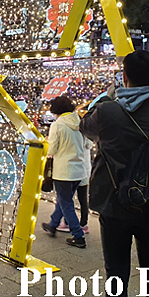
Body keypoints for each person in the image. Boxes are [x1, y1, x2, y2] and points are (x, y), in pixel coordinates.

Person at [80, 50, 149, 297]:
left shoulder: (107, 111)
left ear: (124, 76)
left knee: (116, 274)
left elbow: (85, 127)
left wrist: (108, 96)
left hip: (113, 202)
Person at [41, 96, 92, 248]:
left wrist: (47, 141)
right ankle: (53, 224)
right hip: (79, 170)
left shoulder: (58, 125)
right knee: (65, 200)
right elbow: (87, 143)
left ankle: (78, 235)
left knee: (66, 203)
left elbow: (52, 149)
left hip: (63, 171)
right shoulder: (80, 123)